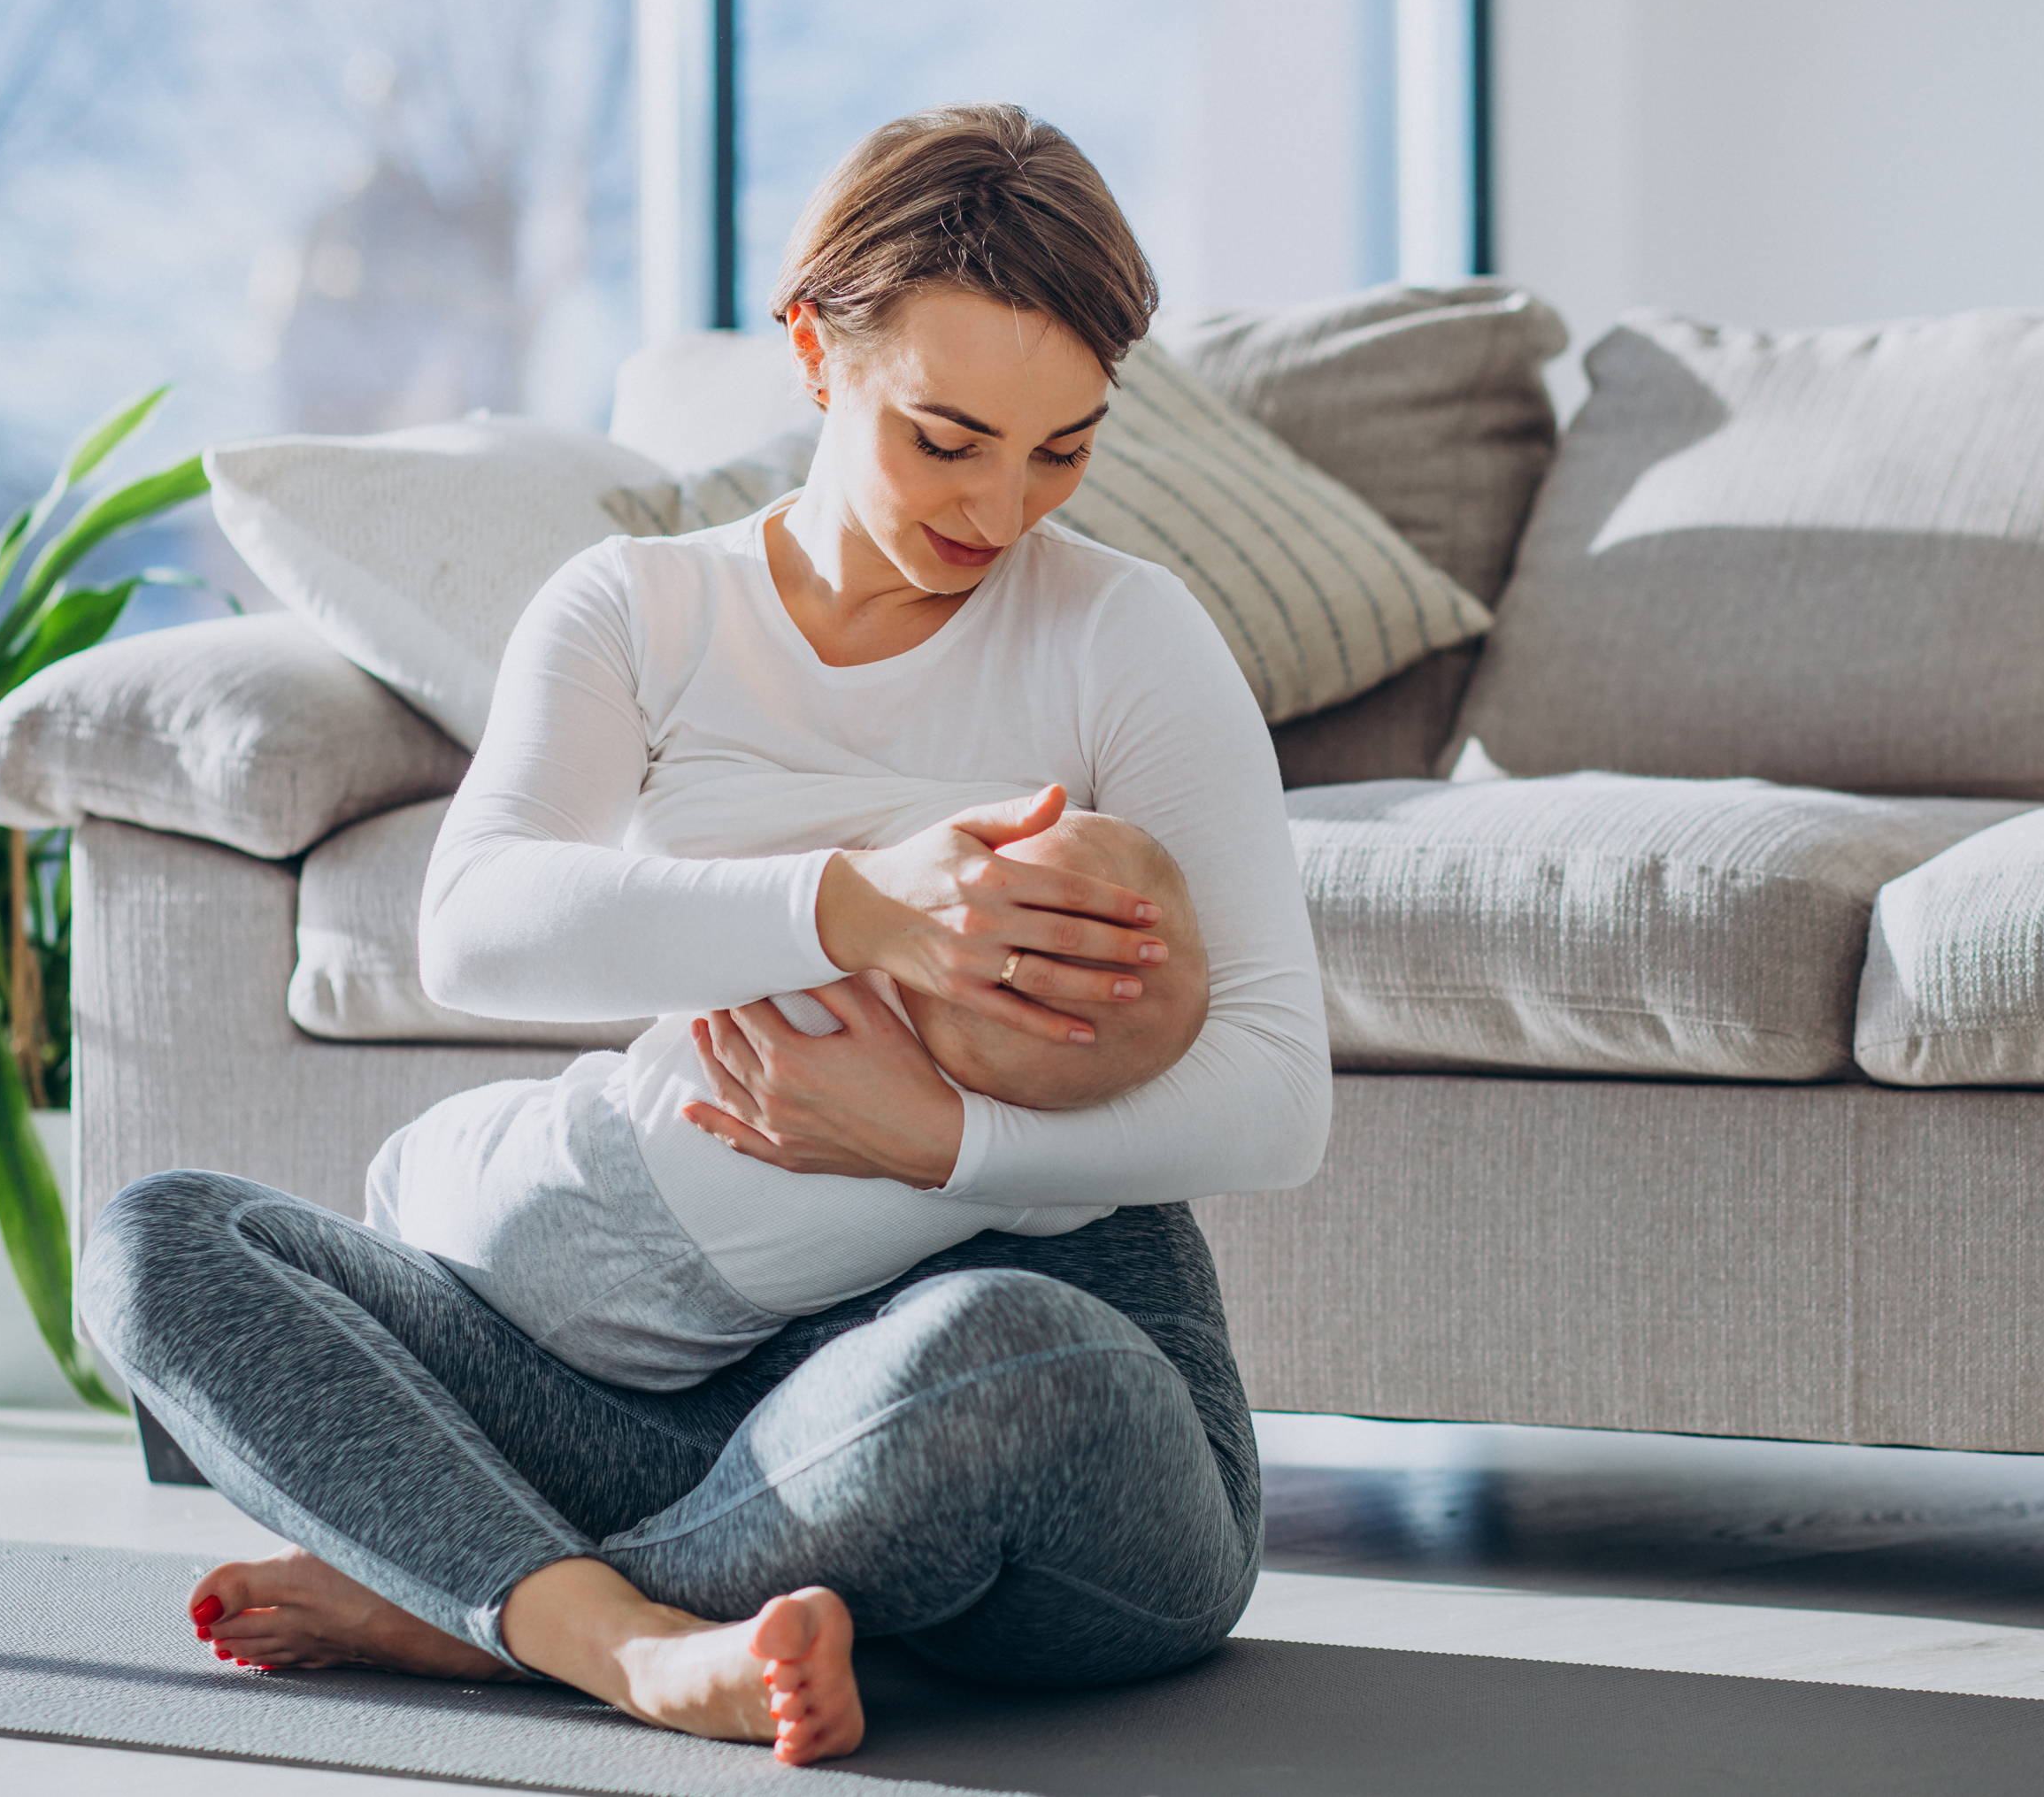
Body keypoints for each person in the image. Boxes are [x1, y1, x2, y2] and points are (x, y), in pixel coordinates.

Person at [77, 104, 1329, 1769]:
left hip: (1026, 1421)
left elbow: (1276, 1093)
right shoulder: (642, 610)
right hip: (663, 1400)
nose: (1003, 508)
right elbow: (477, 923)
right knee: (157, 1240)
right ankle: (644, 1640)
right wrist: (854, 902)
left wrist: (943, 1138)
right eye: (946, 438)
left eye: (1063, 448)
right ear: (815, 349)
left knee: (999, 1359)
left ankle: (497, 1609)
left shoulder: (1127, 636)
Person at [368, 790, 1211, 1393]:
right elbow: (1094, 1187)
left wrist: (874, 893)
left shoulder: (834, 980)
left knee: (400, 1173)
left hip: (564, 1175)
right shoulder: (1031, 1188)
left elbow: (715, 923)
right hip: (663, 1353)